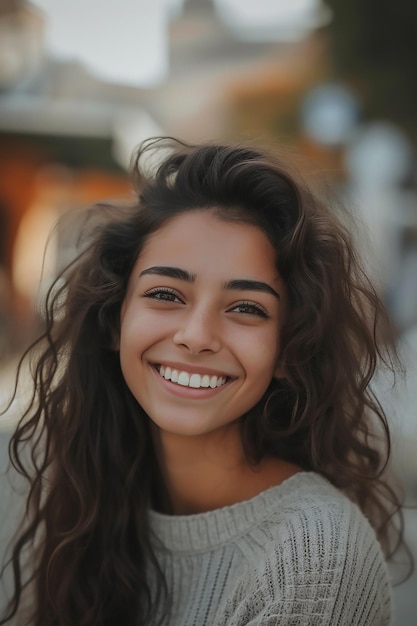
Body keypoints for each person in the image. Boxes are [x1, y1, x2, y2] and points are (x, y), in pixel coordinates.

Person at [0, 138, 407, 625]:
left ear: (288, 350)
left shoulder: (314, 559)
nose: (196, 337)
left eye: (246, 308)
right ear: (114, 319)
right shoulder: (67, 497)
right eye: (167, 294)